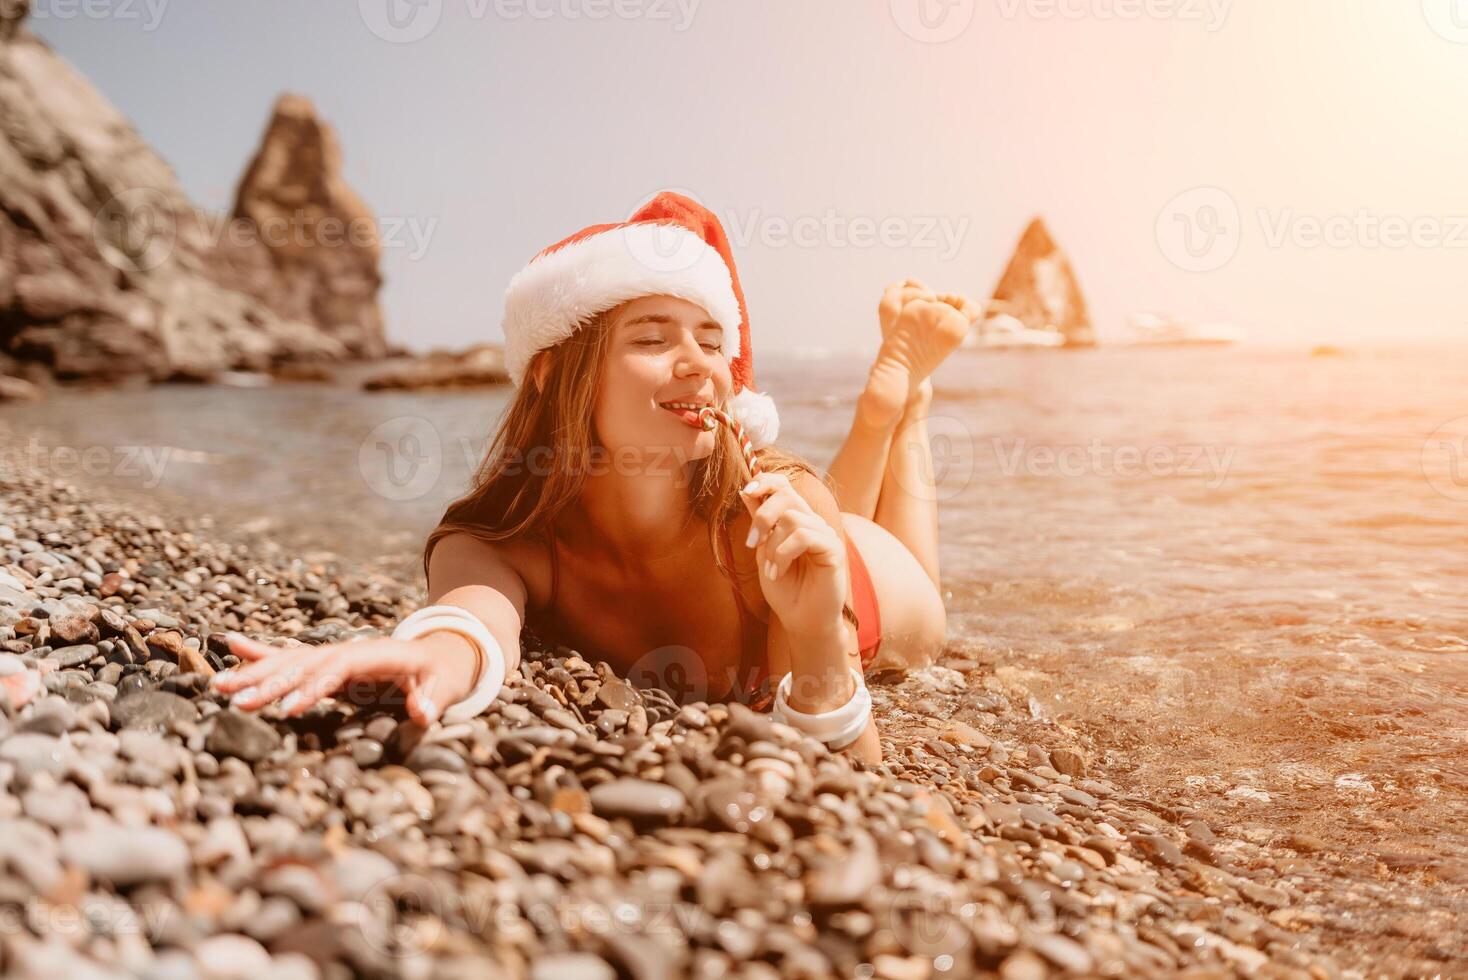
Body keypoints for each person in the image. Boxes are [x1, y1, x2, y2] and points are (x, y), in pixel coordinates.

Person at [211, 192, 973, 764]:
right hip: (814, 542)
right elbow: (472, 624)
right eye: (652, 336)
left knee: (916, 593)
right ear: (551, 374)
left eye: (713, 341)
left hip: (864, 586)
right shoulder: (499, 537)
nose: (700, 362)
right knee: (825, 507)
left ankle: (902, 415)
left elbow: (855, 764)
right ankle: (891, 410)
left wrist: (815, 640)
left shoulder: (773, 512)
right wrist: (431, 661)